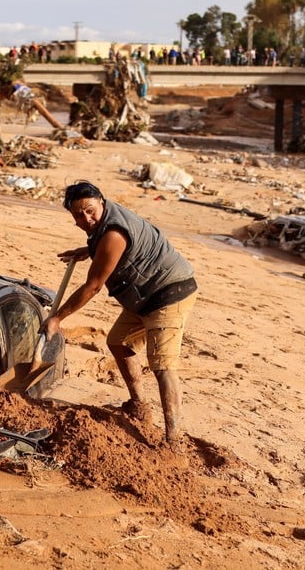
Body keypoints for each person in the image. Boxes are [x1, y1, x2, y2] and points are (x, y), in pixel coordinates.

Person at [43, 182, 198, 448]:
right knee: (118, 342)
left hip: (169, 292)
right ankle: (138, 405)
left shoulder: (113, 234)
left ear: (102, 202)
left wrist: (57, 318)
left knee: (162, 366)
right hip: (143, 295)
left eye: (90, 211)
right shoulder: (105, 225)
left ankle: (173, 441)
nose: (86, 219)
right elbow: (108, 251)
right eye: (78, 215)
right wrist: (89, 251)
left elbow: (93, 286)